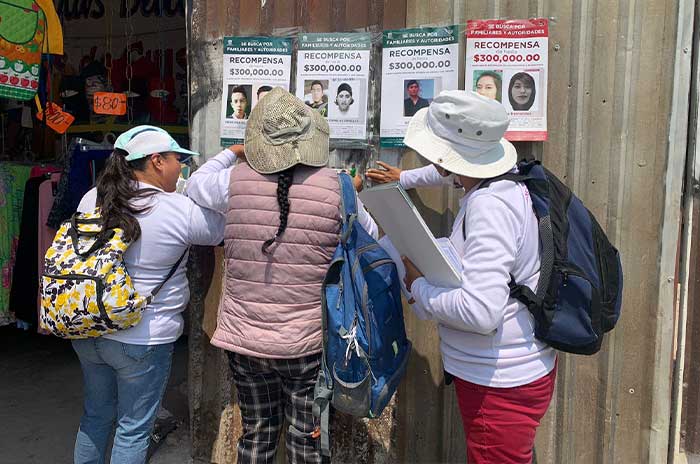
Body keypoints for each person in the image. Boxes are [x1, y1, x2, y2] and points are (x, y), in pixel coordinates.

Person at [185, 88, 377, 463]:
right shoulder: (338, 189)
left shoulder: (232, 182)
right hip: (308, 343)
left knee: (257, 435)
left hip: (245, 340)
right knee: (308, 442)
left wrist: (232, 153)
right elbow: (370, 241)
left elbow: (194, 184)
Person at [366, 91, 556, 464]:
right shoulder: (501, 182)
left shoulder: (489, 206)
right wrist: (405, 177)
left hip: (499, 386)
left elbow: (481, 312)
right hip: (507, 373)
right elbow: (447, 176)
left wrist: (418, 285)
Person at [71, 125, 225, 464]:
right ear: (156, 161)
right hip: (142, 337)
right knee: (132, 429)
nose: (182, 168)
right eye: (177, 160)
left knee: (95, 416)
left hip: (88, 327)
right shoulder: (177, 209)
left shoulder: (92, 197)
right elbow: (222, 227)